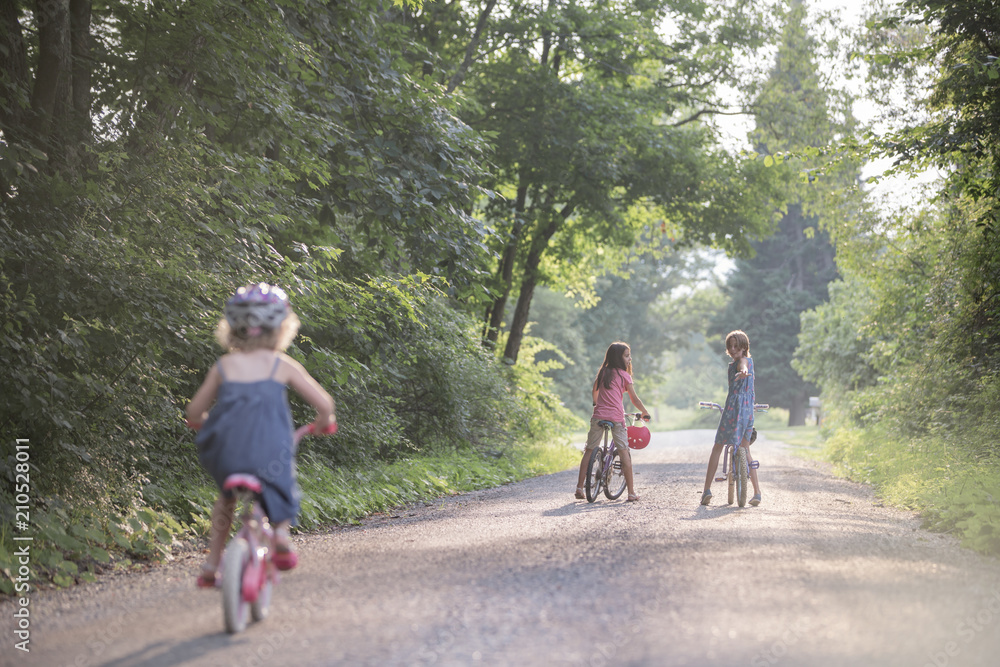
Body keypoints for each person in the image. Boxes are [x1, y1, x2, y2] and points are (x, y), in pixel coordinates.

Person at [186, 283, 335, 587]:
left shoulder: (224, 366)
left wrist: (201, 422)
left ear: (232, 329)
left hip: (226, 454)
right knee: (282, 485)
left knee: (226, 499)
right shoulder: (281, 365)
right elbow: (324, 403)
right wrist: (323, 421)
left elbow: (194, 412)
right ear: (281, 328)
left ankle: (212, 563)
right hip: (270, 452)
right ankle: (280, 533)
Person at [575, 342, 651, 502]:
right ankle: (631, 493)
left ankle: (580, 488)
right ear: (619, 358)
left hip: (598, 416)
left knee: (589, 451)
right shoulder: (624, 376)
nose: (630, 358)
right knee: (624, 452)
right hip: (616, 418)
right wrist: (644, 412)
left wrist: (596, 404)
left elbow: (595, 391)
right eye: (627, 355)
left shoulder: (603, 372)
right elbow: (634, 398)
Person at [701, 329, 761, 506]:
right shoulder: (749, 362)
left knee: (718, 446)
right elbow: (744, 365)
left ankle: (706, 489)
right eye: (730, 346)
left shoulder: (742, 362)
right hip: (748, 412)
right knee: (746, 449)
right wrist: (744, 372)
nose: (733, 349)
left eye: (737, 346)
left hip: (733, 411)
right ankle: (757, 492)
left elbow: (742, 365)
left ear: (744, 347)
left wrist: (742, 371)